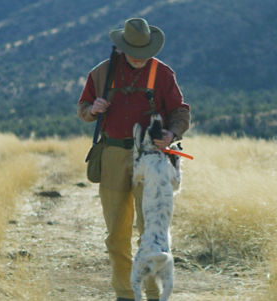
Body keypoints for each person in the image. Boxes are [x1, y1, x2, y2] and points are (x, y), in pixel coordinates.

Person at [77, 18, 191, 301]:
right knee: (116, 235)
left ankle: (152, 295)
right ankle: (125, 294)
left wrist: (171, 132)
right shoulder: (101, 73)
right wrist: (94, 109)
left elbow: (181, 112)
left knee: (150, 232)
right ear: (122, 47)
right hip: (114, 154)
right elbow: (82, 108)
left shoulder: (163, 74)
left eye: (146, 54)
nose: (141, 59)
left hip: (152, 157)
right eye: (135, 54)